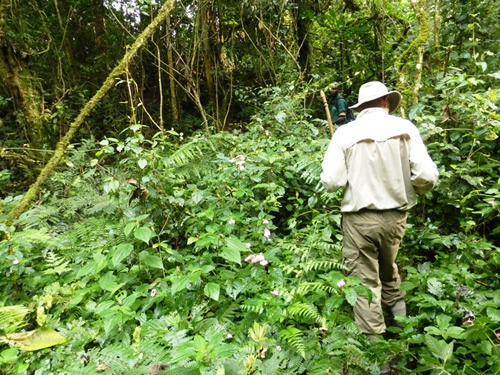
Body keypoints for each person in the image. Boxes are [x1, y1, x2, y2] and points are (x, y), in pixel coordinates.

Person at [320, 81, 438, 340]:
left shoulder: (345, 133)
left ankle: (379, 355)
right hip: (396, 218)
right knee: (389, 269)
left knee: (364, 282)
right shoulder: (405, 128)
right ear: (386, 102)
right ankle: (403, 332)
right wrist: (410, 187)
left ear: (361, 107)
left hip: (359, 220)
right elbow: (427, 176)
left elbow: (331, 182)